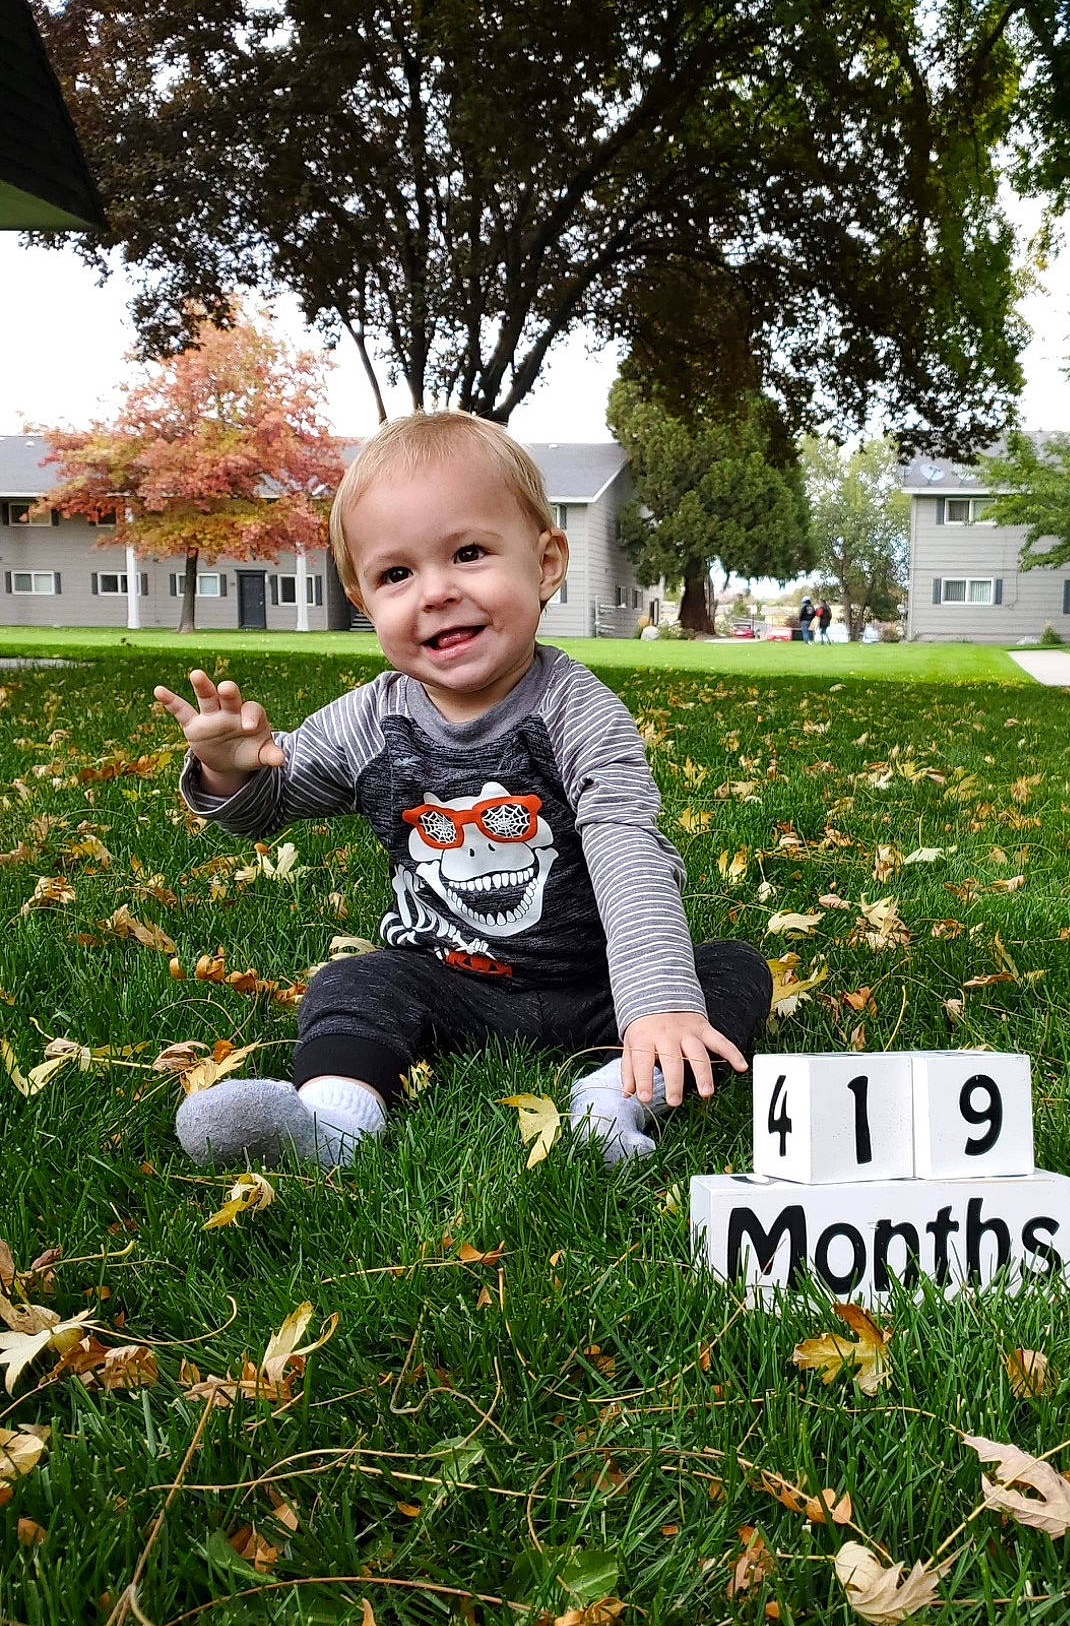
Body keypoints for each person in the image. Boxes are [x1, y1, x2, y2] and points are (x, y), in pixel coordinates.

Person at [157, 412, 772, 1172]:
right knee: (355, 981)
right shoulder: (368, 720)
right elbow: (272, 806)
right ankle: (334, 1119)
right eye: (396, 575)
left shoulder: (578, 711)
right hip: (450, 980)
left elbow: (626, 844)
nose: (438, 592)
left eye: (470, 553)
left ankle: (612, 1100)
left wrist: (656, 1000)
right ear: (362, 597)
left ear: (545, 564)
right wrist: (231, 770)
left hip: (600, 983)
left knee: (730, 973)